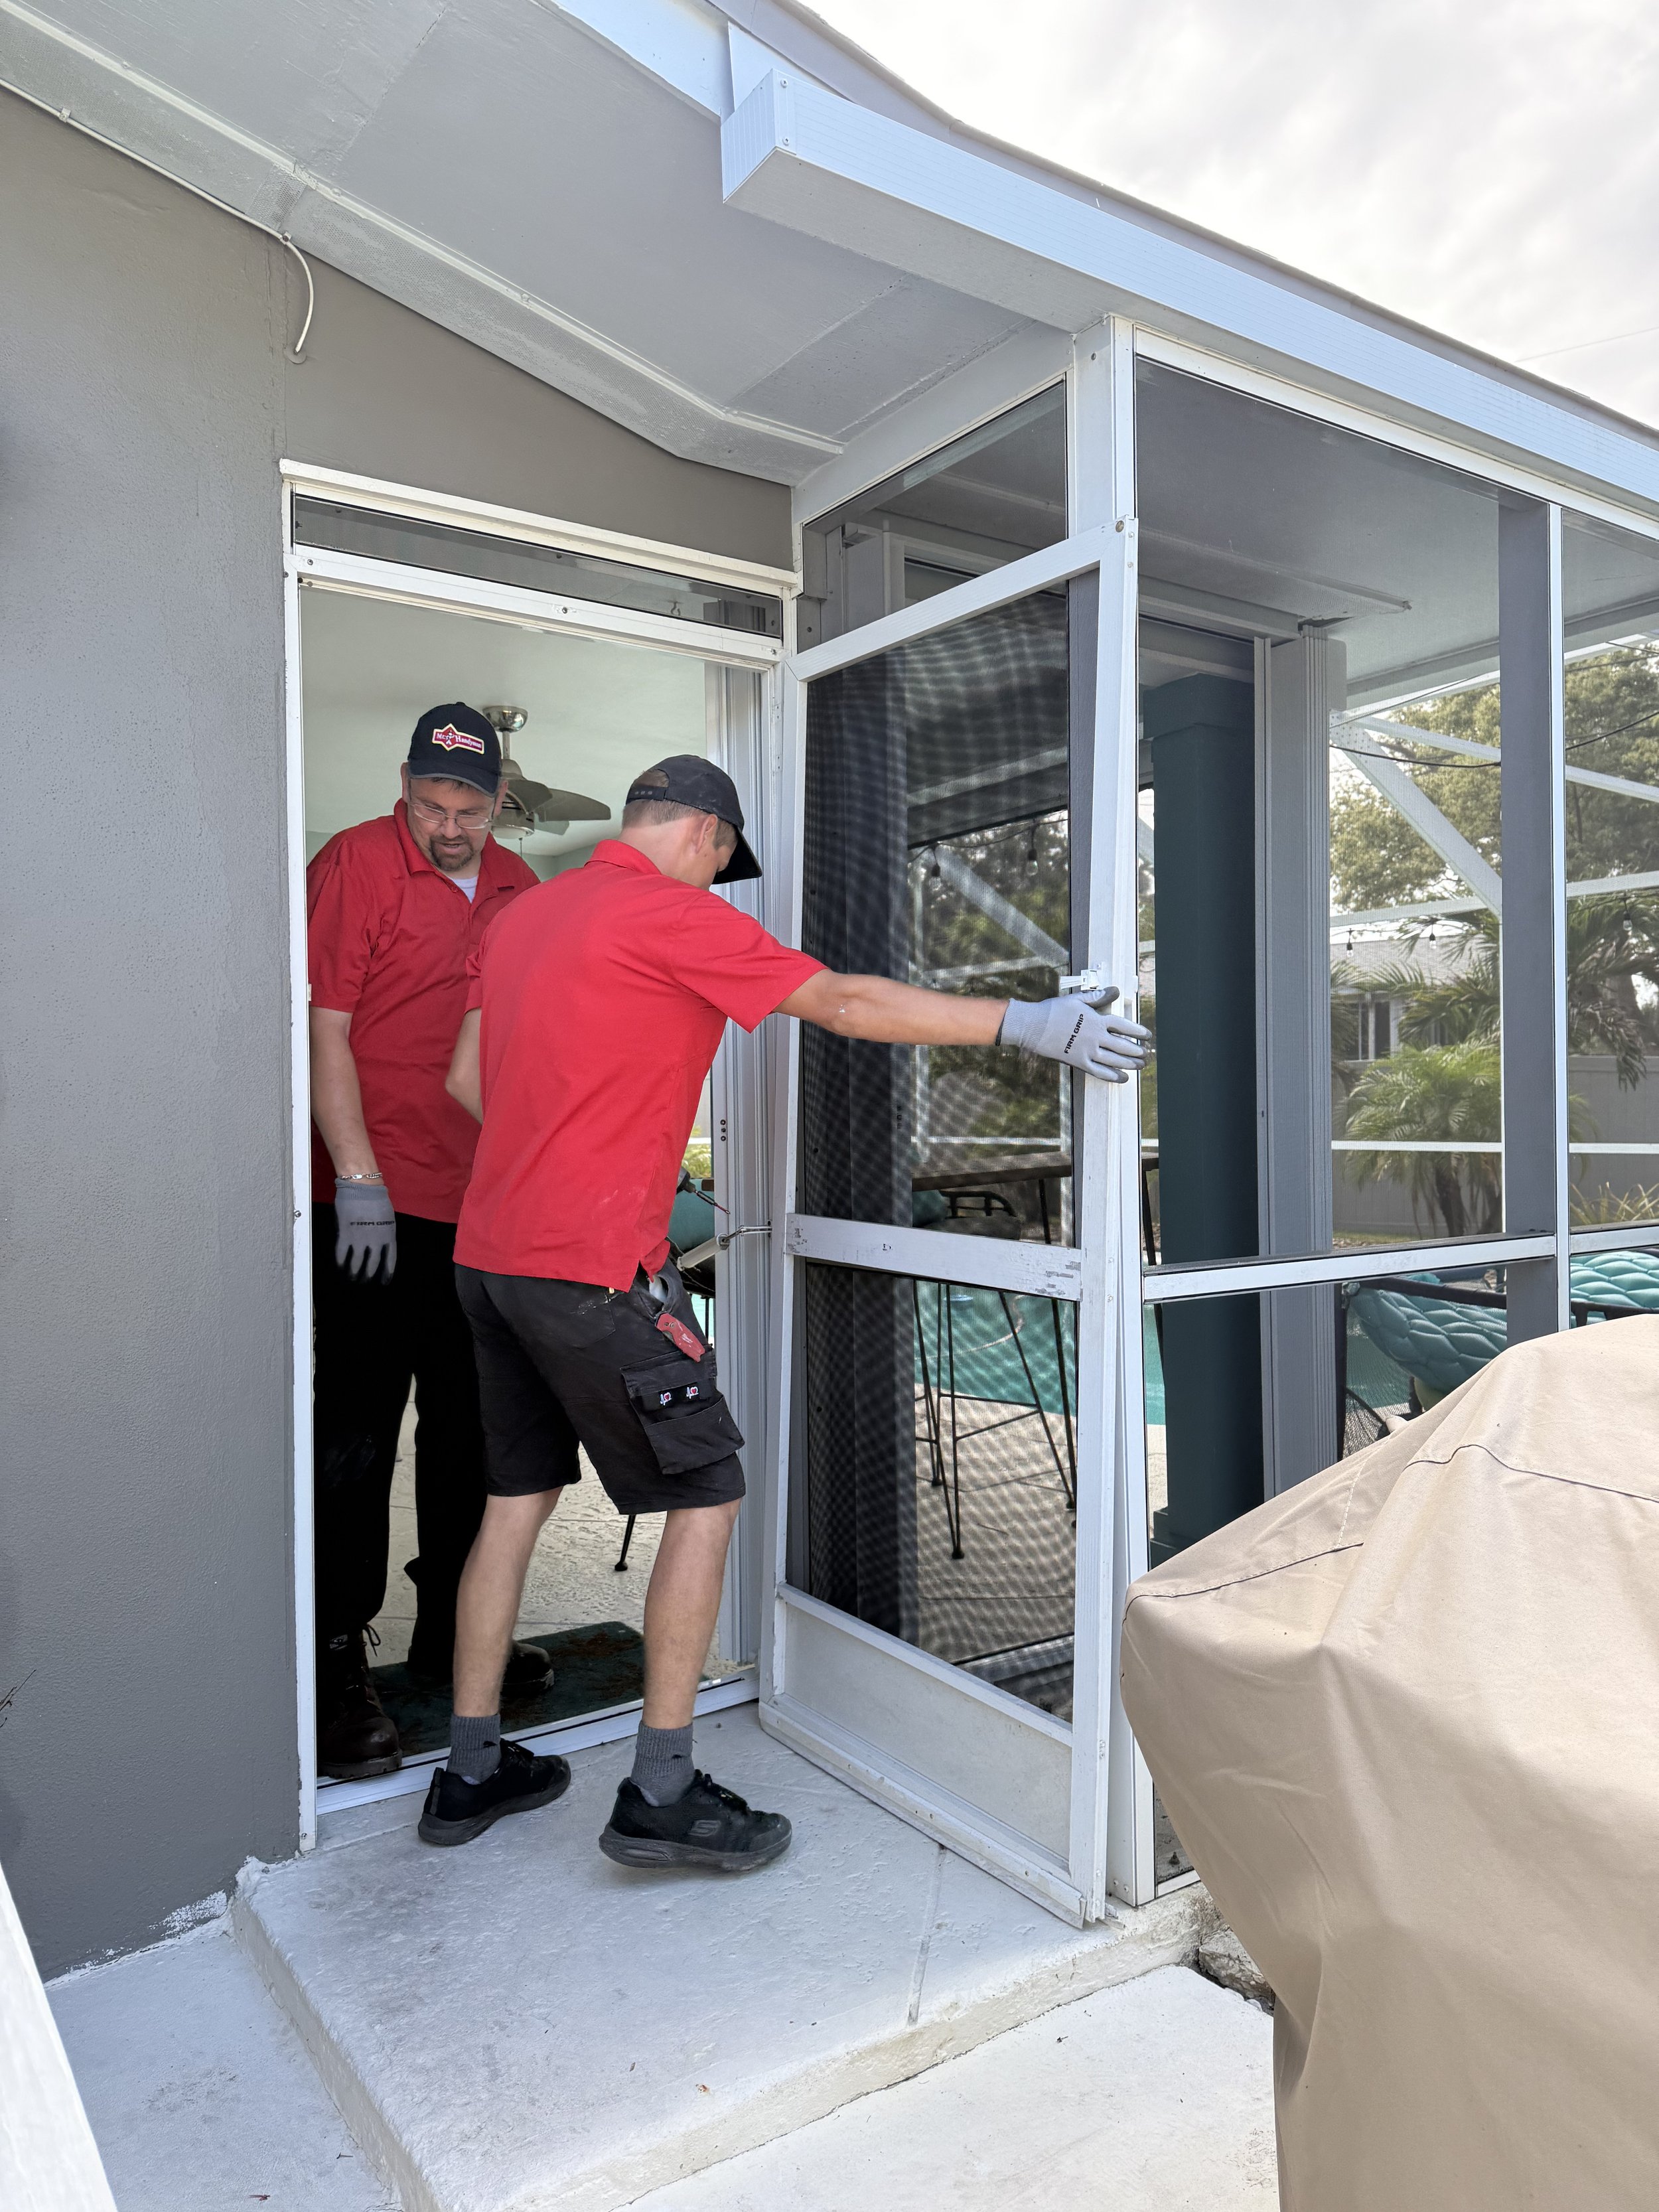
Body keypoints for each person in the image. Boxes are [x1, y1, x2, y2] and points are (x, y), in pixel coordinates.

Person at [417, 756, 1149, 1859]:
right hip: (590, 1271)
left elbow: (468, 1082)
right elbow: (844, 1001)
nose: (717, 876)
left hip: (490, 1259)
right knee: (707, 1492)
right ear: (704, 834)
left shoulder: (521, 919)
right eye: (721, 860)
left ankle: (470, 1771)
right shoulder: (672, 915)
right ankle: (661, 1792)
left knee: (513, 1499)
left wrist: (578, 1145)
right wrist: (1027, 1023)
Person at [307, 702, 554, 1779]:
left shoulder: (522, 889)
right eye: (430, 804)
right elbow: (323, 1027)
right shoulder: (356, 863)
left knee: (471, 1435)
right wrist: (357, 1178)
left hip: (478, 1210)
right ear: (404, 785)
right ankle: (334, 1663)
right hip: (371, 1206)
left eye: (469, 809)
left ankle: (453, 1637)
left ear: (499, 798)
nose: (448, 828)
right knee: (359, 1434)